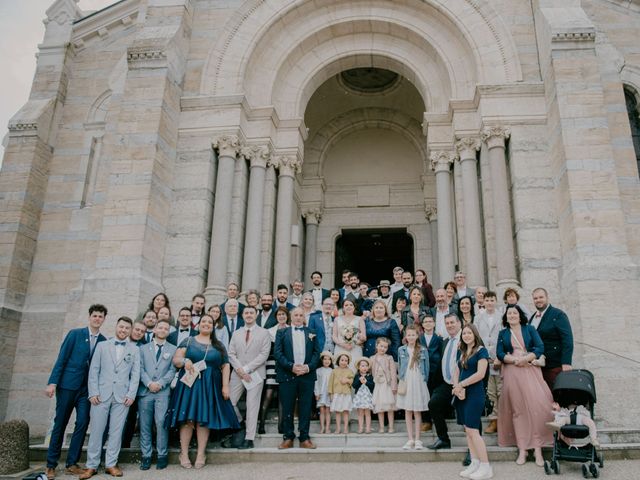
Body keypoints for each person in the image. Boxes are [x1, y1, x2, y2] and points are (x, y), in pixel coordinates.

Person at [166, 314, 239, 469]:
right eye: (203, 321)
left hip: (209, 386)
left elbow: (225, 366)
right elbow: (176, 359)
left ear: (213, 326)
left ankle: (201, 453)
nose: (206, 324)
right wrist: (185, 361)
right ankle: (183, 453)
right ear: (198, 325)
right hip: (189, 385)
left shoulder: (218, 345)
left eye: (209, 322)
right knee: (187, 420)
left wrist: (225, 386)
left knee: (203, 420)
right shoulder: (188, 341)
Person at [45, 304, 107, 479]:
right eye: (95, 316)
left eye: (100, 316)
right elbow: (61, 359)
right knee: (61, 423)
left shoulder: (103, 341)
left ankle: (72, 463)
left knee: (82, 422)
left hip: (86, 390)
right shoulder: (75, 334)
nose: (97, 319)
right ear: (90, 317)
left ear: (104, 319)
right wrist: (52, 383)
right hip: (67, 386)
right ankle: (51, 464)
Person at [80, 316, 140, 479]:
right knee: (97, 431)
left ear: (130, 330)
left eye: (127, 328)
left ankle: (111, 464)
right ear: (116, 327)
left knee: (116, 431)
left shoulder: (134, 349)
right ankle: (91, 465)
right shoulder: (102, 346)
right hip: (101, 395)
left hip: (122, 397)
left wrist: (131, 395)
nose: (123, 330)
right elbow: (94, 371)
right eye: (121, 327)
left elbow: (135, 375)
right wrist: (93, 392)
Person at [497, 304, 553, 466]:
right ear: (506, 317)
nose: (512, 315)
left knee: (536, 407)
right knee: (518, 410)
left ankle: (538, 448)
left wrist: (526, 358)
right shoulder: (503, 333)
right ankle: (522, 448)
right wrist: (513, 360)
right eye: (509, 313)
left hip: (529, 369)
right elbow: (500, 353)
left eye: (514, 313)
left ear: (520, 315)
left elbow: (540, 347)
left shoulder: (529, 329)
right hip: (512, 371)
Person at [274, 307, 321, 449]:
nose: (299, 317)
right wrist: (291, 366)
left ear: (304, 317)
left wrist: (307, 367)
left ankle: (304, 437)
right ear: (291, 317)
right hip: (287, 374)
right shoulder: (282, 332)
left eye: (301, 315)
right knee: (287, 406)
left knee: (305, 406)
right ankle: (288, 437)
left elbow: (316, 353)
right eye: (296, 315)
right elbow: (278, 353)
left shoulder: (311, 333)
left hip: (307, 375)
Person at [227, 306, 272, 449]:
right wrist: (240, 370)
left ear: (256, 314)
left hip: (255, 373)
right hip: (237, 373)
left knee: (252, 405)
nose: (249, 315)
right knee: (229, 402)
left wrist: (247, 369)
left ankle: (249, 437)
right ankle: (240, 423)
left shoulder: (264, 333)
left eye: (251, 313)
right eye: (246, 313)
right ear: (242, 315)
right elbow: (231, 353)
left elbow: (264, 354)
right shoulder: (236, 333)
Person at [453, 324, 493, 480]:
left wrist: (462, 385)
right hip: (462, 394)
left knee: (474, 431)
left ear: (475, 334)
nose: (466, 335)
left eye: (469, 333)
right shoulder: (462, 351)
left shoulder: (481, 350)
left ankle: (486, 466)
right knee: (468, 432)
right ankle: (475, 463)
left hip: (475, 394)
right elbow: (457, 370)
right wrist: (456, 387)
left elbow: (480, 374)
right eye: (464, 333)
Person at [137, 319, 177, 470]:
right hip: (145, 391)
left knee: (161, 423)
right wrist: (149, 383)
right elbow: (140, 368)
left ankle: (162, 454)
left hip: (162, 392)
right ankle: (146, 455)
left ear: (168, 332)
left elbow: (172, 370)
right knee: (145, 424)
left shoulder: (173, 349)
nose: (162, 330)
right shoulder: (143, 348)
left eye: (166, 328)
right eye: (160, 327)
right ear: (154, 329)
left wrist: (160, 383)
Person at [427, 313, 462, 450]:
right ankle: (443, 439)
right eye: (447, 323)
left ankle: (474, 449)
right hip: (447, 383)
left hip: (463, 383)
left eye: (452, 322)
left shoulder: (466, 338)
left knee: (469, 415)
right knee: (434, 404)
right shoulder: (446, 341)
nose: (450, 325)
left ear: (459, 323)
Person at [530, 288, 573, 390]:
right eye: (535, 298)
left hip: (555, 366)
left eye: (541, 297)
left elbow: (567, 339)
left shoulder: (558, 314)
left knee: (556, 399)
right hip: (537, 367)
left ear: (547, 297)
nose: (538, 300)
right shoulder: (532, 318)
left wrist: (566, 362)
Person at [396, 325, 430, 450]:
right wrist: (401, 379)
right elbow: (400, 366)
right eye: (408, 335)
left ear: (417, 336)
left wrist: (424, 379)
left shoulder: (422, 350)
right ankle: (410, 438)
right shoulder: (401, 350)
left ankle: (418, 439)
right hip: (407, 379)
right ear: (405, 336)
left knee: (417, 410)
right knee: (408, 410)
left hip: (418, 379)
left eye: (413, 335)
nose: (410, 337)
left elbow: (426, 367)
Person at [259, 306, 290, 434]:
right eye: (279, 315)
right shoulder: (270, 331)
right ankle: (261, 424)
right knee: (269, 393)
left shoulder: (291, 330)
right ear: (276, 317)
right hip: (272, 363)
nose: (281, 317)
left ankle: (281, 426)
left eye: (283, 314)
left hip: (286, 365)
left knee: (283, 396)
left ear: (287, 316)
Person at [475, 291, 502, 434]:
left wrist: (501, 356)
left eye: (492, 300)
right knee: (491, 391)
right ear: (483, 302)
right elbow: (477, 337)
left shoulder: (502, 317)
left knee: (501, 390)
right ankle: (494, 419)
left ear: (495, 301)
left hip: (499, 359)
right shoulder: (478, 318)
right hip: (485, 359)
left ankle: (503, 419)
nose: (490, 302)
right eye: (487, 300)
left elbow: (504, 337)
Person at [419, 315, 443, 433]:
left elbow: (442, 354)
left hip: (436, 371)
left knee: (434, 395)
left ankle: (438, 418)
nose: (428, 323)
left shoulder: (439, 339)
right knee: (424, 395)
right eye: (425, 322)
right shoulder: (419, 338)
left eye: (430, 321)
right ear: (422, 325)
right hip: (423, 371)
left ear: (434, 323)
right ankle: (426, 421)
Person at [370, 337, 397, 433]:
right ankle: (381, 426)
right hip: (378, 385)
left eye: (385, 347)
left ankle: (391, 426)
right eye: (381, 346)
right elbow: (370, 372)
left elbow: (393, 373)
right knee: (379, 406)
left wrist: (394, 386)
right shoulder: (372, 358)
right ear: (376, 346)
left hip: (387, 385)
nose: (383, 349)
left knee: (390, 407)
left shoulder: (389, 358)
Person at [332, 298, 366, 371]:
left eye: (351, 305)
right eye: (346, 305)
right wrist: (342, 345)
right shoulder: (337, 319)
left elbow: (364, 337)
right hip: (340, 348)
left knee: (354, 369)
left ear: (354, 307)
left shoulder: (360, 319)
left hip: (355, 348)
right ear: (343, 308)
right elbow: (334, 336)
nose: (348, 306)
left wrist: (355, 343)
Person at [329, 352, 354, 434]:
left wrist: (347, 380)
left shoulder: (350, 371)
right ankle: (338, 428)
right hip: (337, 393)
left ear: (348, 362)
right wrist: (331, 393)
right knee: (338, 411)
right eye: (342, 360)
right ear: (338, 361)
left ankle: (346, 428)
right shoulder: (334, 371)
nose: (344, 362)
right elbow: (331, 383)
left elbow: (352, 380)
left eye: (346, 360)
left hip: (346, 394)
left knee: (346, 411)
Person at [353, 357, 375, 434]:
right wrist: (359, 381)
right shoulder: (357, 376)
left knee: (367, 413)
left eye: (366, 366)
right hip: (359, 397)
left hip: (367, 397)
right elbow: (354, 386)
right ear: (359, 367)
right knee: (360, 413)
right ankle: (360, 428)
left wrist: (366, 382)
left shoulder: (369, 376)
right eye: (362, 366)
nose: (364, 367)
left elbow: (372, 386)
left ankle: (368, 428)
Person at [315, 351, 334, 434]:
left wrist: (332, 393)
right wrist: (317, 393)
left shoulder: (332, 371)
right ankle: (322, 427)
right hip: (321, 393)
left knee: (328, 410)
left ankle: (327, 428)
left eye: (329, 359)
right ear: (322, 360)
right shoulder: (318, 370)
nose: (327, 361)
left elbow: (333, 383)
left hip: (329, 393)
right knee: (322, 410)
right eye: (325, 359)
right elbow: (316, 382)